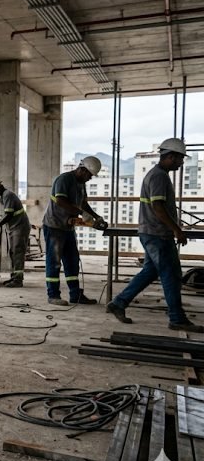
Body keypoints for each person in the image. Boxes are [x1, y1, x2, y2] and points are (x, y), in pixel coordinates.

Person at [105, 138, 203, 331]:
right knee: (171, 274)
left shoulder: (157, 174)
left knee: (150, 272)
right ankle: (176, 318)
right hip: (158, 234)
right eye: (180, 159)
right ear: (171, 157)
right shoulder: (159, 176)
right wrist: (176, 229)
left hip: (153, 232)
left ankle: (119, 303)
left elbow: (160, 206)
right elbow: (157, 207)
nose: (181, 163)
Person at [41, 156, 107, 305]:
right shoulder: (63, 180)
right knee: (54, 261)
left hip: (67, 227)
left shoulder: (81, 183)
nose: (90, 179)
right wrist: (81, 214)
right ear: (82, 170)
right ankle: (53, 295)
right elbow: (60, 201)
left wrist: (96, 217)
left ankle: (75, 294)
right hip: (54, 226)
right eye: (89, 175)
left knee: (72, 260)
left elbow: (83, 204)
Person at [0, 176, 30, 288]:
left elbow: (9, 215)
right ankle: (14, 277)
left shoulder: (7, 195)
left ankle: (18, 280)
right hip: (15, 227)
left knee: (17, 252)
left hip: (19, 227)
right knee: (13, 252)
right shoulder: (3, 197)